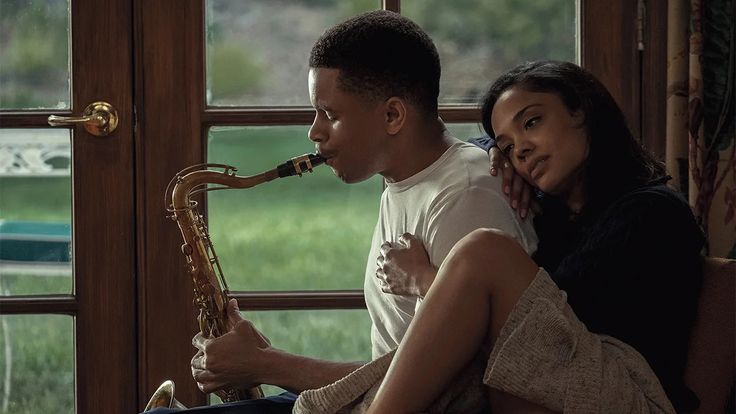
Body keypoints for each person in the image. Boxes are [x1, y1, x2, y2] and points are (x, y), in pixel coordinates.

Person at [147, 10, 536, 413]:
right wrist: (264, 358)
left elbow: (448, 386)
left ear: (392, 115)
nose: (314, 132)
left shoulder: (465, 196)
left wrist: (267, 364)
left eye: (330, 115)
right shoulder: (407, 179)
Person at [364, 61, 705, 413]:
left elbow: (541, 325)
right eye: (510, 147)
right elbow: (476, 142)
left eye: (531, 123)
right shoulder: (555, 212)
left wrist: (424, 279)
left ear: (582, 110)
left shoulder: (653, 212)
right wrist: (495, 153)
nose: (521, 151)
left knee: (486, 250)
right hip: (552, 387)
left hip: (627, 395)